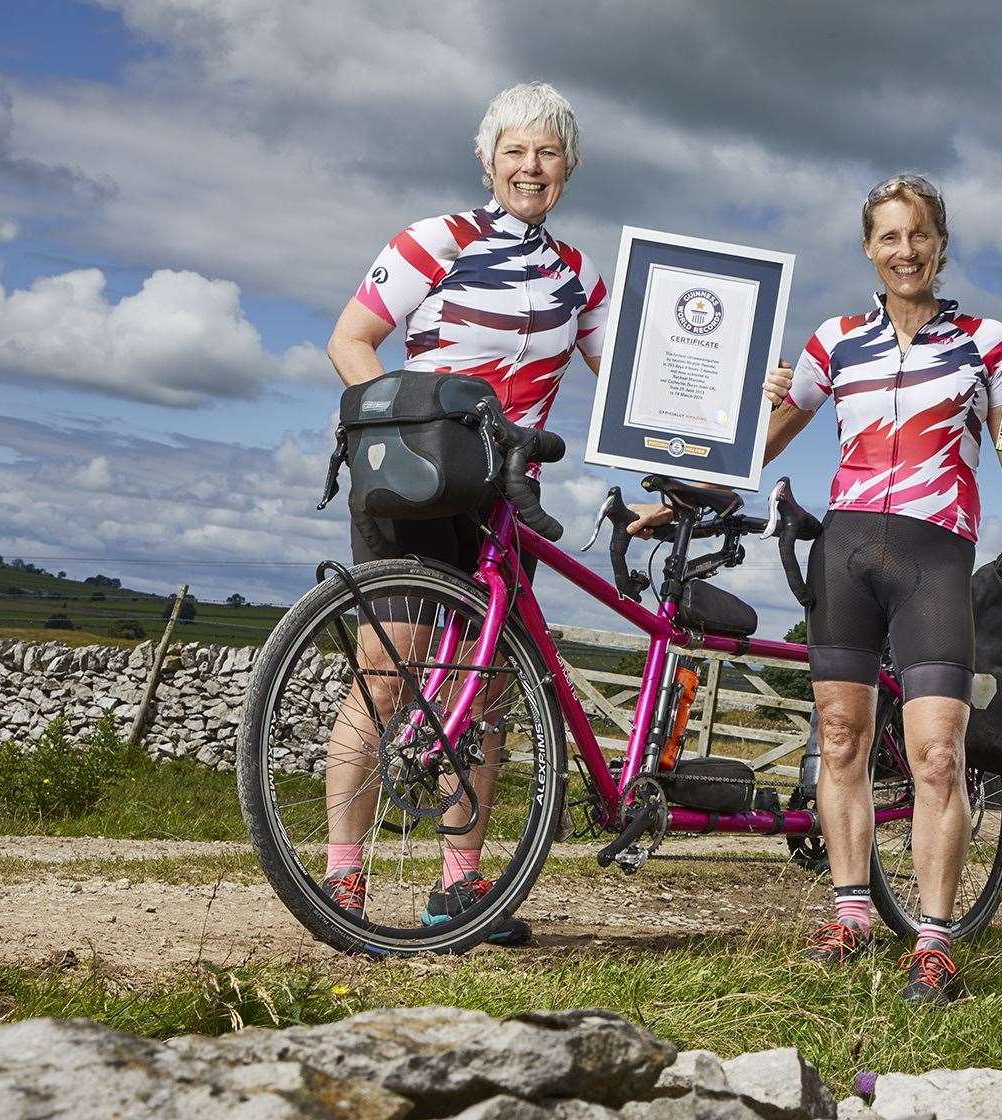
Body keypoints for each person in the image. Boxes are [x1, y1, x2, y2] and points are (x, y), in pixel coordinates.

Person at [761, 174, 1002, 1003]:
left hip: (935, 560)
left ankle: (933, 940)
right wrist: (763, 397)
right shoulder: (835, 341)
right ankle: (851, 913)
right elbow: (762, 444)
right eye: (889, 237)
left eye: (919, 235)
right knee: (842, 738)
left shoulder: (988, 342)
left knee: (937, 754)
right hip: (846, 550)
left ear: (941, 243)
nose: (905, 251)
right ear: (869, 247)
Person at [318, 82, 608, 945]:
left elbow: (628, 381)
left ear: (569, 169)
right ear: (487, 160)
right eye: (515, 150)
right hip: (411, 482)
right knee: (383, 676)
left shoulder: (578, 275)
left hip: (504, 493)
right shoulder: (435, 240)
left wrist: (737, 402)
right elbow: (350, 339)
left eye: (548, 153)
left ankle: (460, 889)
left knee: (480, 695)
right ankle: (344, 879)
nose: (531, 166)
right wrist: (401, 426)